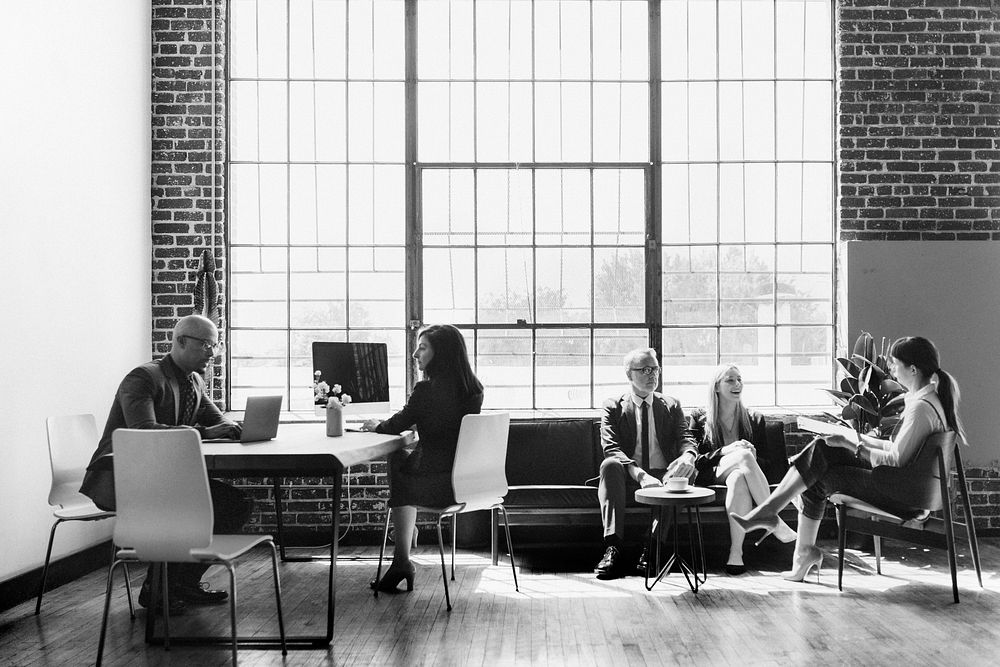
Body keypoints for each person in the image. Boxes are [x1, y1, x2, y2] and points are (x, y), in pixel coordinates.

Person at [731, 336, 964, 582]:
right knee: (822, 450)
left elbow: (895, 460)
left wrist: (852, 444)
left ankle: (780, 525)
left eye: (896, 364)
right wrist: (852, 438)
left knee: (819, 475)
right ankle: (782, 529)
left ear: (913, 369)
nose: (892, 369)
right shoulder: (931, 402)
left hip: (903, 495)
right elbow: (900, 449)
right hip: (909, 489)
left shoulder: (921, 408)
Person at [80, 314, 253, 613]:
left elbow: (217, 420)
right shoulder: (143, 378)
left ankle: (180, 584)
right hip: (125, 476)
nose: (212, 353)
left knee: (236, 503)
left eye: (215, 346)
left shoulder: (194, 380)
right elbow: (142, 430)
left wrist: (235, 428)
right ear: (181, 341)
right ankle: (156, 588)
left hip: (164, 476)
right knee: (203, 504)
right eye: (206, 345)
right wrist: (204, 433)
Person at [362, 324, 484, 593]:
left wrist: (374, 425)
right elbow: (445, 425)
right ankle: (405, 532)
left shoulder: (425, 391)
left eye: (423, 347)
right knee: (403, 461)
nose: (415, 353)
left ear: (442, 353)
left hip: (439, 488)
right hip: (468, 483)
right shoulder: (474, 390)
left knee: (396, 460)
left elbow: (396, 424)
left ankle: (402, 551)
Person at [594, 347, 699, 580]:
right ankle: (613, 548)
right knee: (609, 464)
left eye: (655, 369)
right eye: (645, 370)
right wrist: (640, 475)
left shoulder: (671, 404)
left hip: (665, 475)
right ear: (629, 375)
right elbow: (610, 447)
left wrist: (688, 456)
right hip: (629, 475)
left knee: (686, 472)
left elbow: (686, 439)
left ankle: (653, 547)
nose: (653, 375)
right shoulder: (613, 405)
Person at [689, 364, 796, 575]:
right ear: (716, 387)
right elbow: (697, 461)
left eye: (739, 379)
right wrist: (728, 451)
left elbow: (769, 466)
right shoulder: (700, 418)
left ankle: (735, 554)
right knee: (742, 455)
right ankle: (772, 518)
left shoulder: (754, 419)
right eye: (730, 380)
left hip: (739, 475)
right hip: (710, 475)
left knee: (739, 477)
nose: (737, 384)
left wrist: (753, 458)